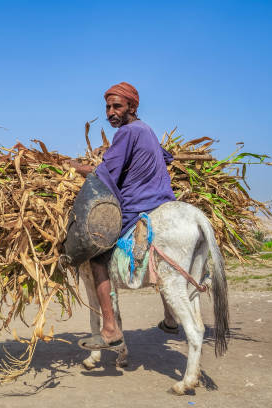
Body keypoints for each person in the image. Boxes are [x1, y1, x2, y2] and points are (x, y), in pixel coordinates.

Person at [72, 82, 179, 350]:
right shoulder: (146, 130)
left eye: (117, 106)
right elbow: (167, 157)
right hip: (164, 201)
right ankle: (171, 315)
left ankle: (109, 328)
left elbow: (106, 173)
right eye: (108, 107)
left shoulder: (127, 133)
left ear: (132, 107)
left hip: (138, 204)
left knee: (96, 256)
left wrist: (76, 167)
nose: (110, 112)